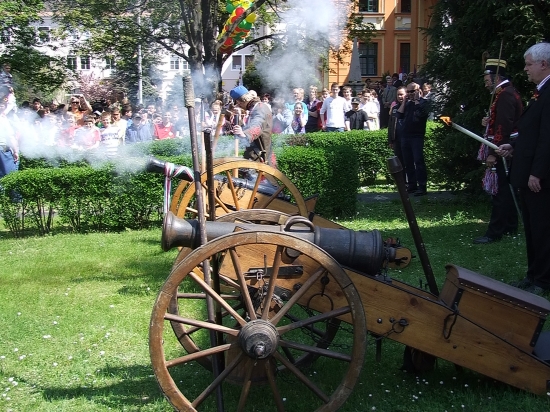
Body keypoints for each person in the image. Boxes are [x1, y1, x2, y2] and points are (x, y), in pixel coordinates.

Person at [497, 42, 550, 294]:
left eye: (529, 64)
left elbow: (547, 138)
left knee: (542, 229)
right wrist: (514, 146)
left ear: (544, 64)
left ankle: (543, 280)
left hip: (540, 178)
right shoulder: (541, 91)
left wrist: (537, 172)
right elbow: (532, 133)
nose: (526, 69)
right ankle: (533, 274)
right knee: (531, 228)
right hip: (528, 172)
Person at [473, 58, 522, 245]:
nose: (486, 85)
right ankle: (510, 226)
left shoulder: (505, 95)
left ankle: (495, 232)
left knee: (500, 192)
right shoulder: (504, 93)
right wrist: (487, 123)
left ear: (496, 78)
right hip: (505, 147)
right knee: (506, 190)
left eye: (487, 81)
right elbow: (497, 121)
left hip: (504, 150)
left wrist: (494, 152)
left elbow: (504, 126)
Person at [397, 82, 430, 196]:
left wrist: (416, 101)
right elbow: (399, 115)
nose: (410, 94)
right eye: (408, 92)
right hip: (405, 136)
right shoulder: (407, 103)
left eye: (412, 91)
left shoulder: (424, 102)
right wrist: (404, 101)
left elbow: (420, 114)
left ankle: (422, 186)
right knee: (408, 162)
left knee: (418, 161)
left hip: (417, 136)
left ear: (418, 91)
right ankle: (412, 185)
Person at [230, 85, 274, 165]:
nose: (238, 105)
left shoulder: (260, 108)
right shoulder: (255, 108)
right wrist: (239, 120)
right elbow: (248, 126)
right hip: (255, 154)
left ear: (241, 101)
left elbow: (258, 124)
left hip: (260, 156)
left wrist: (245, 134)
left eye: (237, 102)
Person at [0, 88, 19, 179]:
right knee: (9, 176)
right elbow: (10, 137)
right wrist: (15, 151)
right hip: (2, 148)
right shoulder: (3, 119)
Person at [388, 86, 407, 170]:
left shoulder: (409, 107)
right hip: (397, 140)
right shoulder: (394, 108)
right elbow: (390, 125)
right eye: (398, 95)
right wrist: (390, 140)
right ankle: (402, 178)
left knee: (408, 161)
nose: (399, 96)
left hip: (407, 139)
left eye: (401, 94)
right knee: (399, 162)